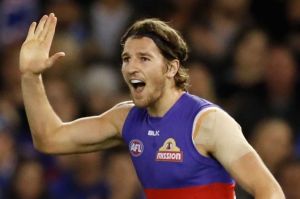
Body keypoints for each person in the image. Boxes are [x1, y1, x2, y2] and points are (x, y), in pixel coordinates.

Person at [19, 13, 285, 199]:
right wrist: (30, 76)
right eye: (126, 58)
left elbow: (270, 192)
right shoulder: (125, 119)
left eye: (144, 58)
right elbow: (50, 139)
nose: (131, 67)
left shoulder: (208, 122)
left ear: (171, 67)